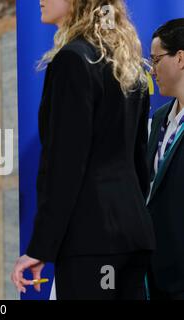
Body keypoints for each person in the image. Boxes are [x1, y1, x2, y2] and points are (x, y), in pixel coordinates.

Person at [11, 0, 155, 300]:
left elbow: (65, 166)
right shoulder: (129, 63)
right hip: (133, 234)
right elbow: (139, 161)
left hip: (93, 242)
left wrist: (40, 247)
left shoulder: (72, 60)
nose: (40, 0)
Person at [147, 18, 184, 300]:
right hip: (155, 273)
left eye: (156, 59)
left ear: (180, 58)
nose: (152, 69)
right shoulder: (158, 119)